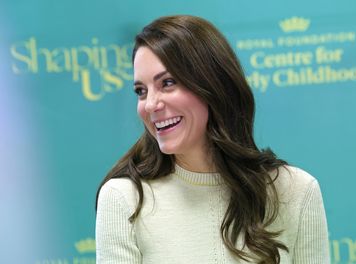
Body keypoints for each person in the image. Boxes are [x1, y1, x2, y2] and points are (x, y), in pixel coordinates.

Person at [95, 15, 330, 264]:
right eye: (141, 91)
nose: (150, 104)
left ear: (213, 85)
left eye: (167, 83)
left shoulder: (295, 191)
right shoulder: (123, 198)